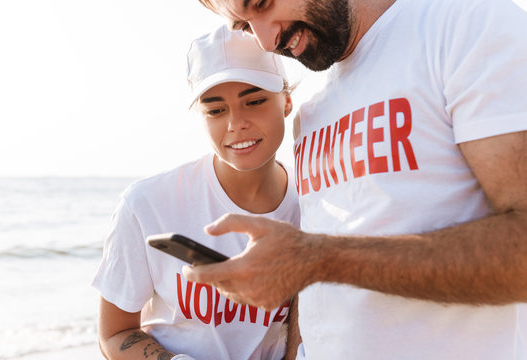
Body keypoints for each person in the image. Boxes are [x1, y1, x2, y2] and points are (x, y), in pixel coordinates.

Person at [183, 0, 527, 358]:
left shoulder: (466, 25)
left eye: (262, 4)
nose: (266, 42)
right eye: (243, 26)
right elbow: (318, 282)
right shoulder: (312, 107)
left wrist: (316, 259)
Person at [92, 25, 301, 360]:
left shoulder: (317, 207)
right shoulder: (147, 204)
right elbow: (115, 332)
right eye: (216, 110)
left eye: (255, 101)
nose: (236, 123)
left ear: (287, 102)